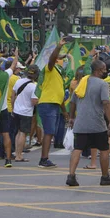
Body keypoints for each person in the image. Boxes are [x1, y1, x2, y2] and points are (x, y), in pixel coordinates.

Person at [66, 60, 110, 187]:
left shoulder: (82, 82)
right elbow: (106, 103)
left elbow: (73, 101)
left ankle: (71, 176)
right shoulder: (102, 84)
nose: (106, 71)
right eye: (104, 69)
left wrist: (72, 117)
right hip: (97, 123)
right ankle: (105, 177)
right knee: (104, 149)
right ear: (98, 70)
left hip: (80, 123)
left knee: (77, 149)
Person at [37, 38, 69, 168]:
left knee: (51, 132)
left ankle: (45, 158)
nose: (62, 61)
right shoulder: (49, 68)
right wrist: (59, 46)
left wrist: (64, 111)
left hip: (54, 105)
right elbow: (51, 59)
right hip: (48, 104)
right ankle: (44, 159)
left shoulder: (58, 74)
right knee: (49, 131)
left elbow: (59, 94)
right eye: (60, 59)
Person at [12, 65, 40, 162]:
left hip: (16, 110)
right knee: (23, 133)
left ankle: (17, 153)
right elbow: (34, 101)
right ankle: (19, 156)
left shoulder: (19, 81)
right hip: (26, 112)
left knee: (18, 133)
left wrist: (12, 108)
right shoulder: (34, 86)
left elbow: (13, 95)